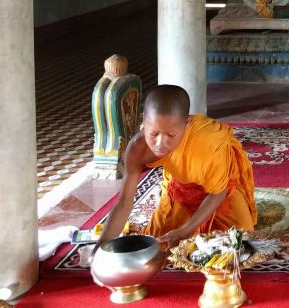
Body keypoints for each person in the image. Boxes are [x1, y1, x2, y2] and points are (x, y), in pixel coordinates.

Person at [95, 85, 257, 250]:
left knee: (239, 240)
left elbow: (218, 193)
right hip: (183, 188)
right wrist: (100, 248)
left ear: (186, 124)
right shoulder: (138, 148)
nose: (160, 144)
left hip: (220, 192)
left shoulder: (208, 143)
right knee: (159, 242)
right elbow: (124, 201)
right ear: (144, 121)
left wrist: (185, 230)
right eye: (154, 134)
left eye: (171, 135)